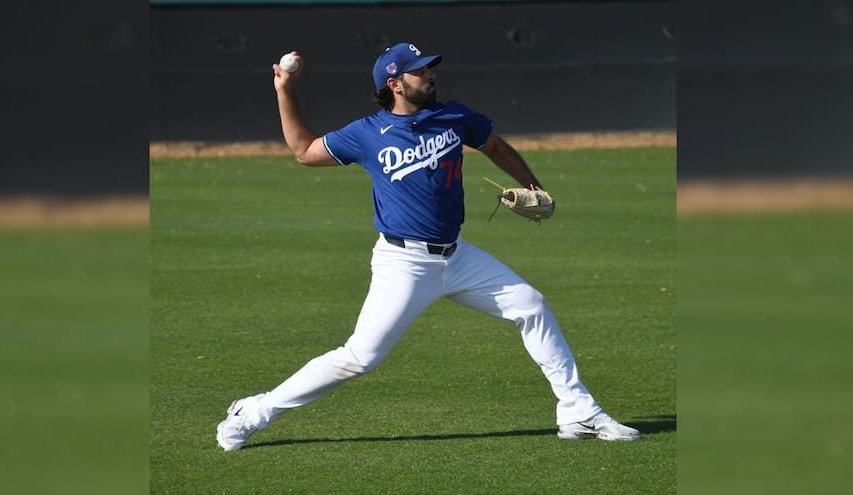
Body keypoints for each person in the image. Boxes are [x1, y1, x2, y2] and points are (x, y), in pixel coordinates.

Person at [216, 42, 640, 451]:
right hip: (404, 263)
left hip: (457, 256)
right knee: (359, 358)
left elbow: (493, 144)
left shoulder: (453, 116)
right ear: (395, 83)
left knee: (531, 305)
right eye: (420, 70)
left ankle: (577, 411)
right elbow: (305, 151)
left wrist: (532, 186)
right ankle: (254, 411)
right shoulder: (367, 133)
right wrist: (284, 91)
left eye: (428, 67)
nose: (430, 74)